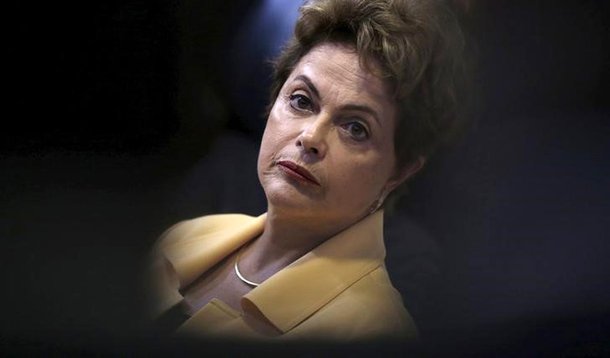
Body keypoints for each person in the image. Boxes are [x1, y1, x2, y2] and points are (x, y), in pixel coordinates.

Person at [149, 0, 468, 341]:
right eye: (301, 101)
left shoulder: (374, 330)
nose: (311, 138)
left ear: (400, 171)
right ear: (273, 101)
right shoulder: (185, 237)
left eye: (356, 128)